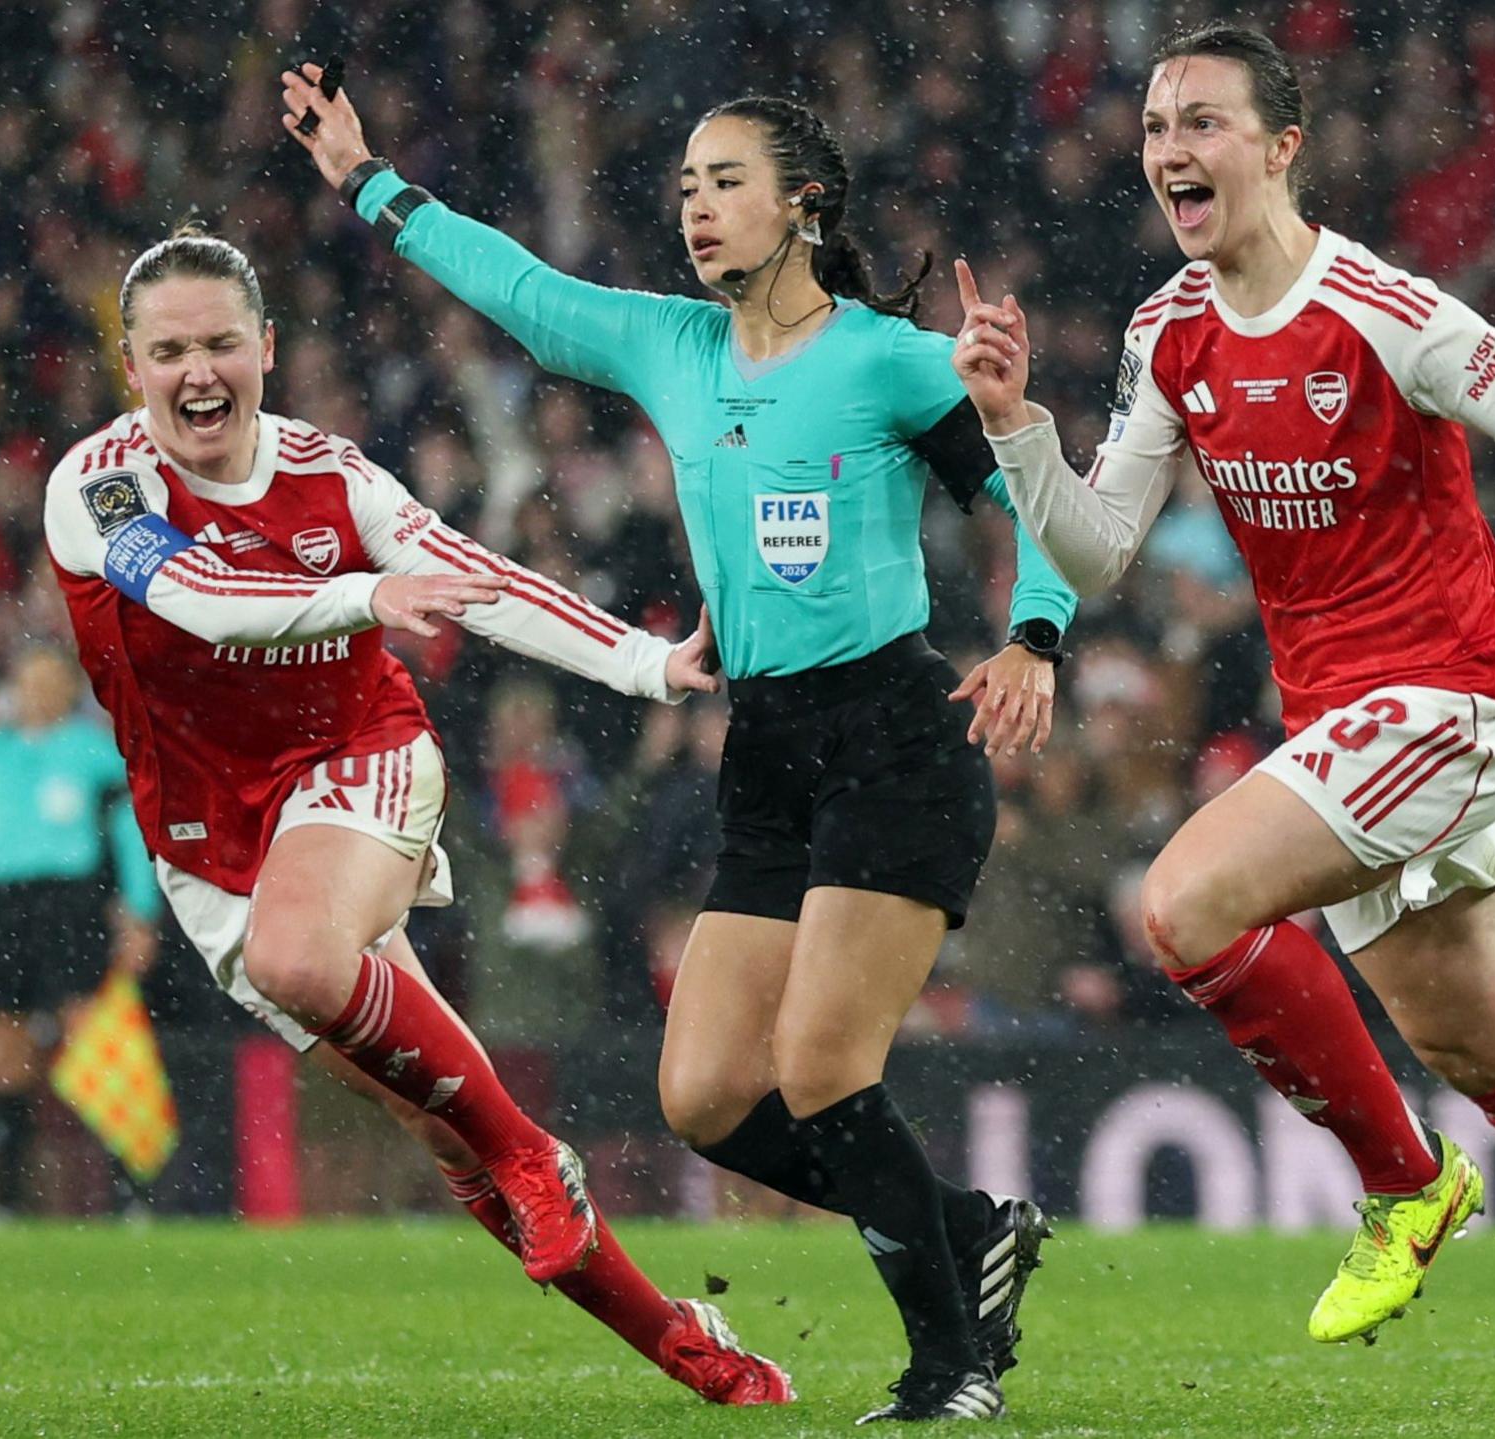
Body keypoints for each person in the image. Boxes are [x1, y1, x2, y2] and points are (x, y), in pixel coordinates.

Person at [950, 22, 1495, 1426]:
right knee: (1491, 1051)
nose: (1172, 149)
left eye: (1204, 123)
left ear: (1282, 148)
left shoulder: (1384, 310)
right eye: (1157, 126)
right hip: (1351, 723)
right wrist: (1012, 426)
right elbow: (1099, 550)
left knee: (1182, 904)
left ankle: (1407, 1181)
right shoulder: (1167, 333)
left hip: (1454, 701)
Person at [283, 69, 1076, 1423]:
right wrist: (369, 181)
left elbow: (1049, 499)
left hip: (896, 733)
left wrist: (1036, 634)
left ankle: (952, 1362)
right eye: (689, 186)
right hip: (765, 746)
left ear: (803, 204)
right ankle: (969, 1227)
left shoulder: (887, 356)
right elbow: (523, 288)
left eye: (727, 182)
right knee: (706, 1093)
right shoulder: (673, 346)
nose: (697, 208)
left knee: (826, 1072)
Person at [42, 220, 790, 1406]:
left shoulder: (333, 475)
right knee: (446, 1127)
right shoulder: (97, 487)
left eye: (223, 344)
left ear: (266, 349)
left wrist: (647, 666)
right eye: (170, 350)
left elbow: (476, 581)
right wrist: (365, 593)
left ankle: (536, 1153)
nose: (199, 374)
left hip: (360, 757)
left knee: (321, 972)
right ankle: (685, 1341)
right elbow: (201, 598)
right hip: (207, 845)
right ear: (129, 368)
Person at [0, 645, 160, 1211]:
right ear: (14, 688)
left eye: (51, 681)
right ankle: (9, 1196)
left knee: (91, 1037)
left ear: (70, 691)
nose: (40, 692)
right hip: (3, 908)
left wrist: (141, 915)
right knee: (4, 1045)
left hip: (70, 906)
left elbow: (130, 835)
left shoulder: (95, 754)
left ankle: (129, 1193)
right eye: (30, 680)